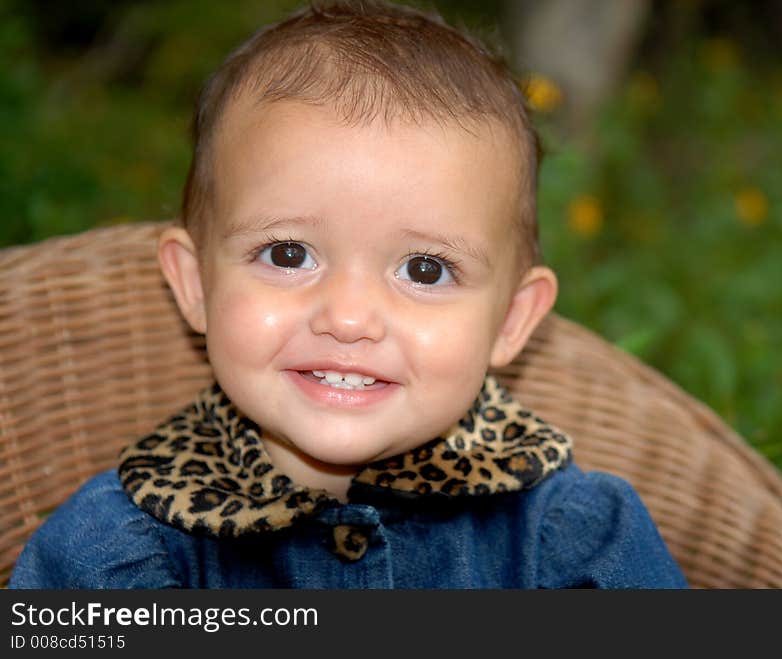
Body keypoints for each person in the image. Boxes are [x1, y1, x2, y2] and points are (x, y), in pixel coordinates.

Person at [10, 0, 687, 589]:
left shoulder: (576, 543)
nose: (349, 317)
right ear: (193, 285)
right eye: (287, 254)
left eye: (425, 270)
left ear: (512, 319)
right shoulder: (114, 555)